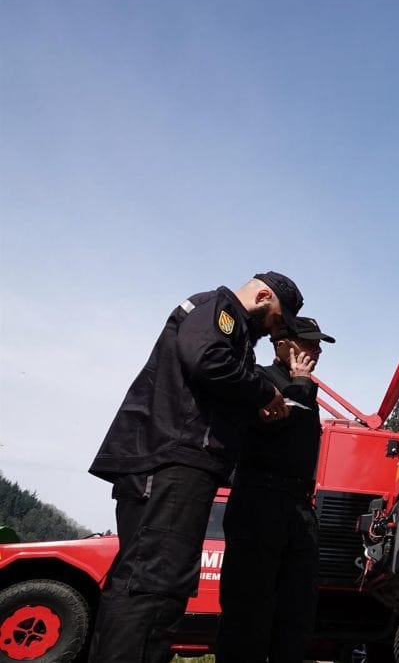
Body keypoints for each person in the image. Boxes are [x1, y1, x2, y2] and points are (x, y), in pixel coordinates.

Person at [87, 272, 304, 663]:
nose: (274, 332)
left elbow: (212, 385)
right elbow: (206, 359)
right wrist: (263, 391)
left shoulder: (227, 325)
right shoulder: (220, 310)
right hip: (175, 459)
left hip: (170, 459)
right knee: (157, 583)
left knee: (139, 582)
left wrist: (258, 409)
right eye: (276, 320)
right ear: (263, 295)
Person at [216, 316, 335, 663]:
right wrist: (299, 385)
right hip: (259, 501)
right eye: (308, 343)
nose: (316, 350)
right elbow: (274, 430)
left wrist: (302, 385)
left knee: (297, 613)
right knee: (248, 612)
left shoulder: (305, 389)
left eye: (318, 345)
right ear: (281, 343)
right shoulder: (260, 380)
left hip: (298, 508)